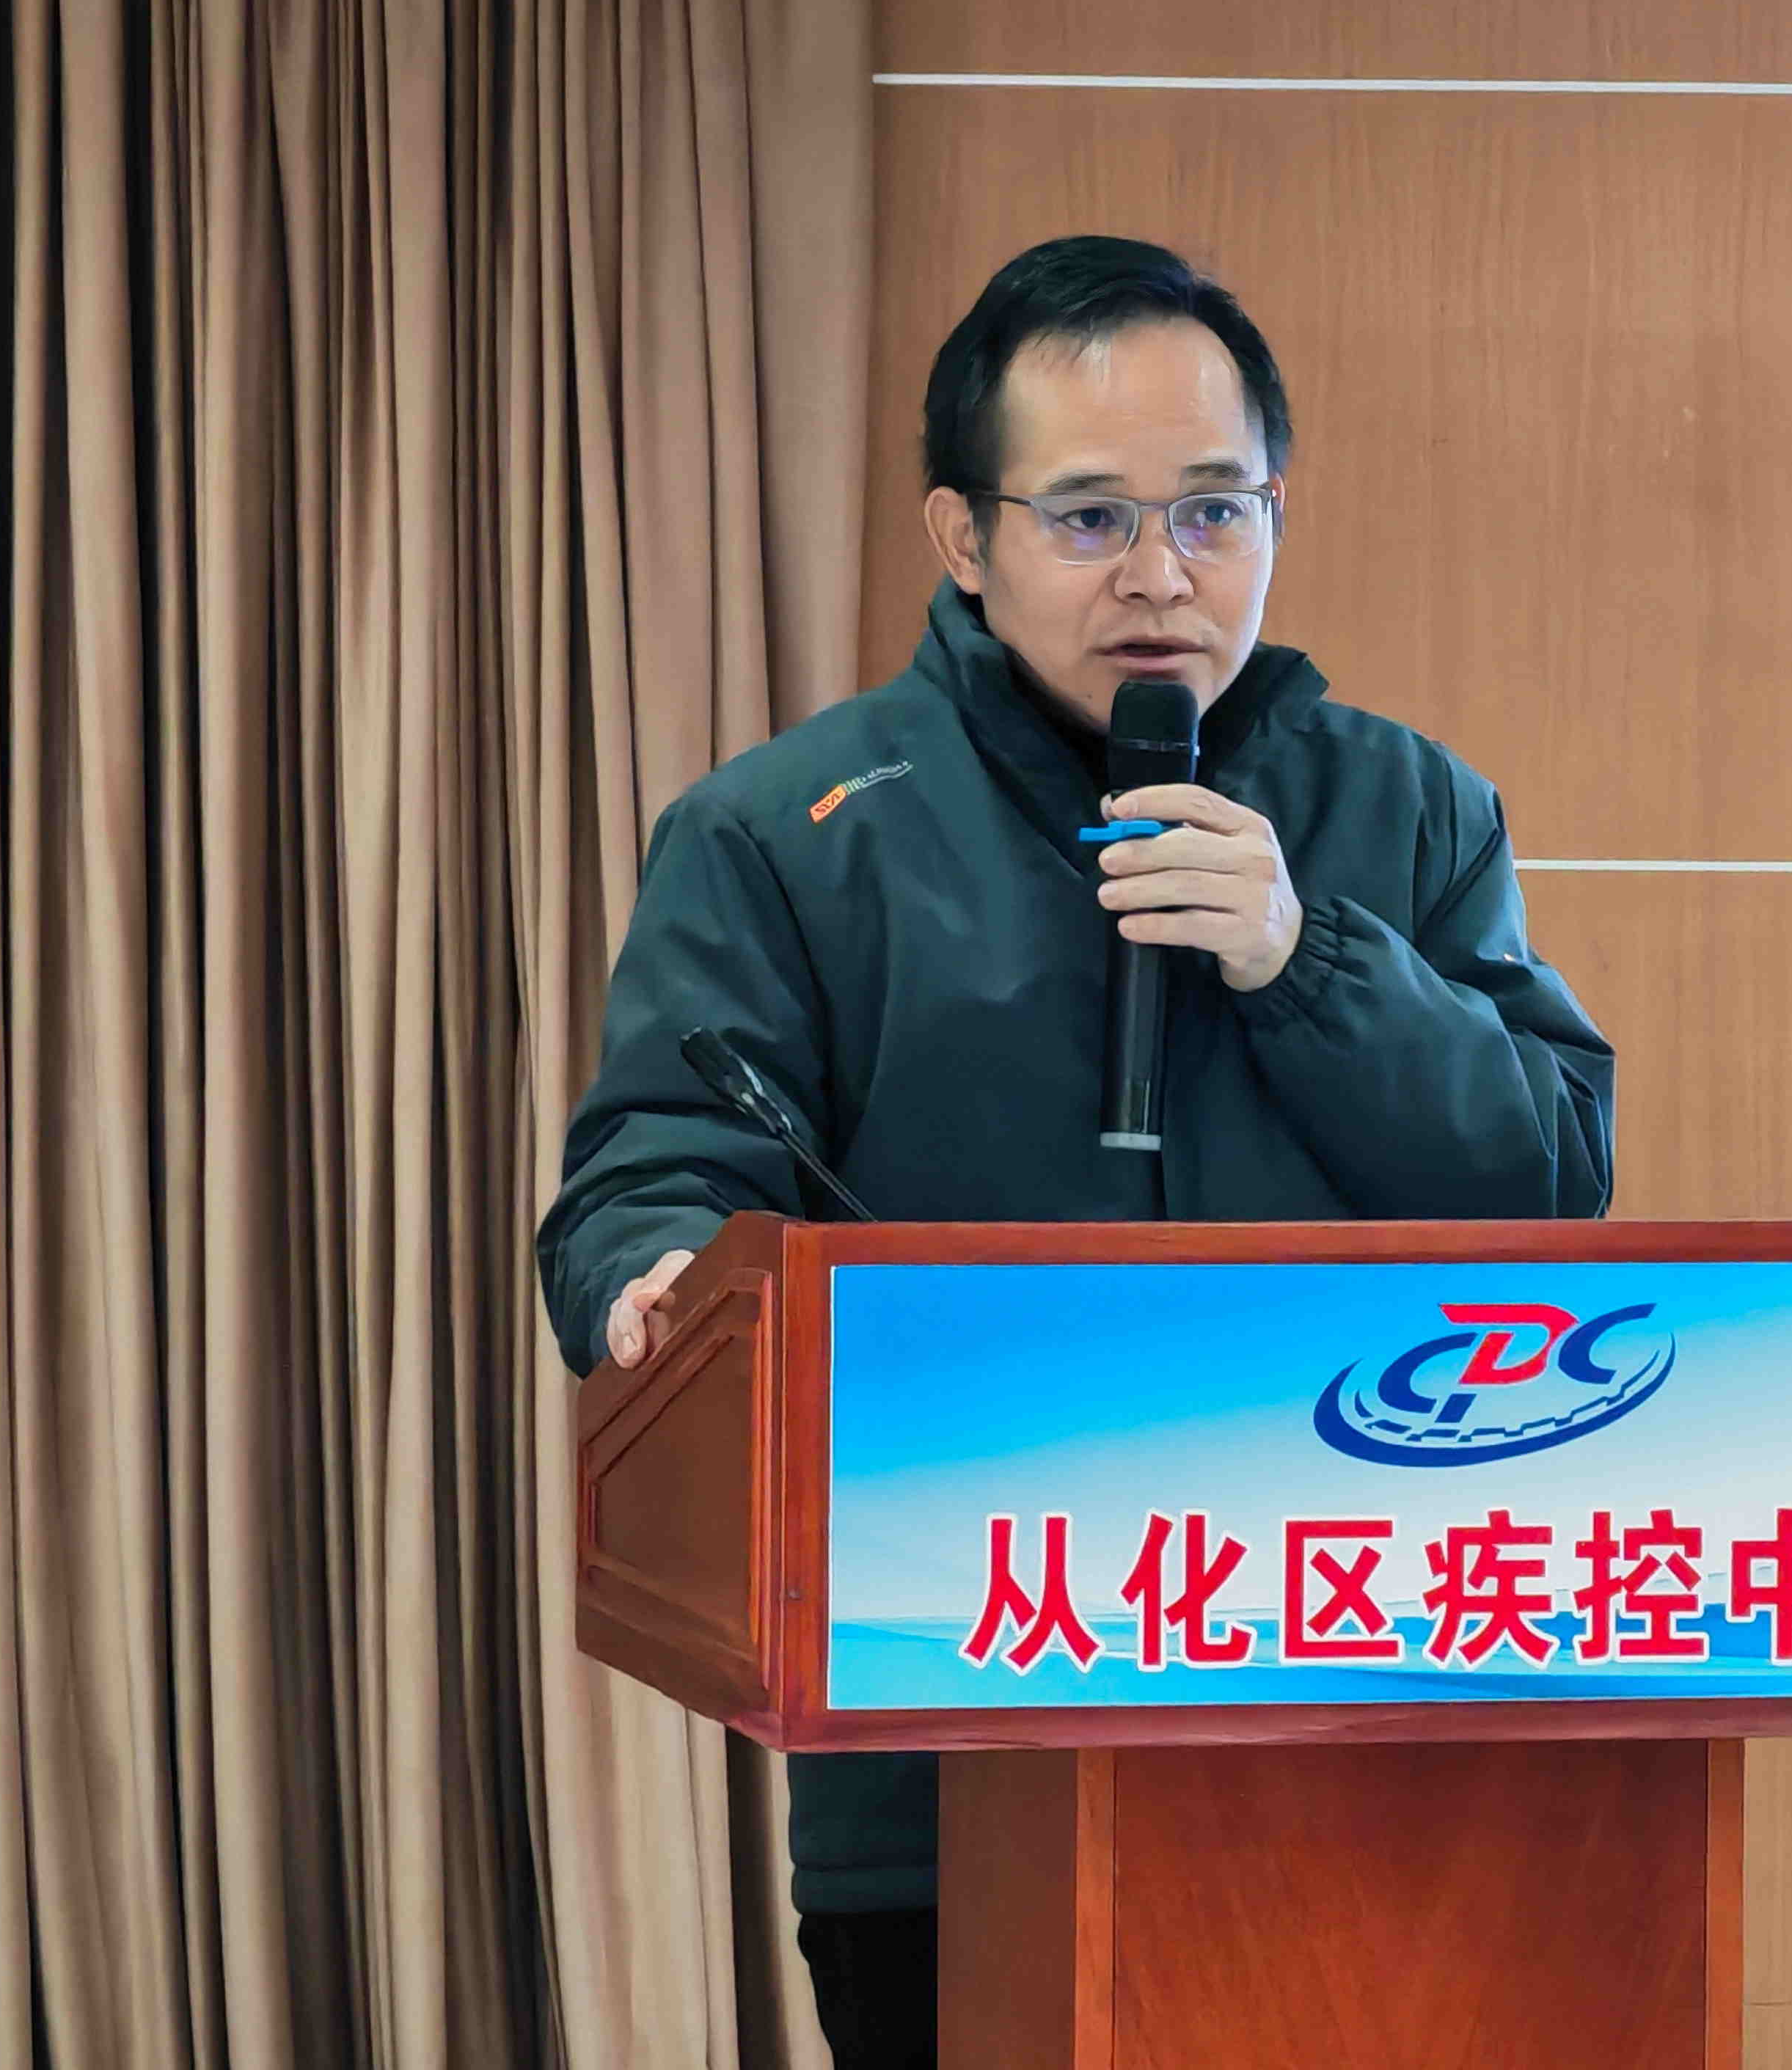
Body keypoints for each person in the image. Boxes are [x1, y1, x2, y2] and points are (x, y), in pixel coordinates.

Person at [536, 235, 1614, 2067]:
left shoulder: (1406, 809)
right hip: (946, 1738)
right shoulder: (786, 832)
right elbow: (659, 1167)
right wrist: (656, 1277)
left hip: (1354, 1711)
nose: (1160, 576)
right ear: (963, 537)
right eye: (1091, 517)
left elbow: (1549, 1173)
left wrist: (1306, 961)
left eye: (1212, 512)